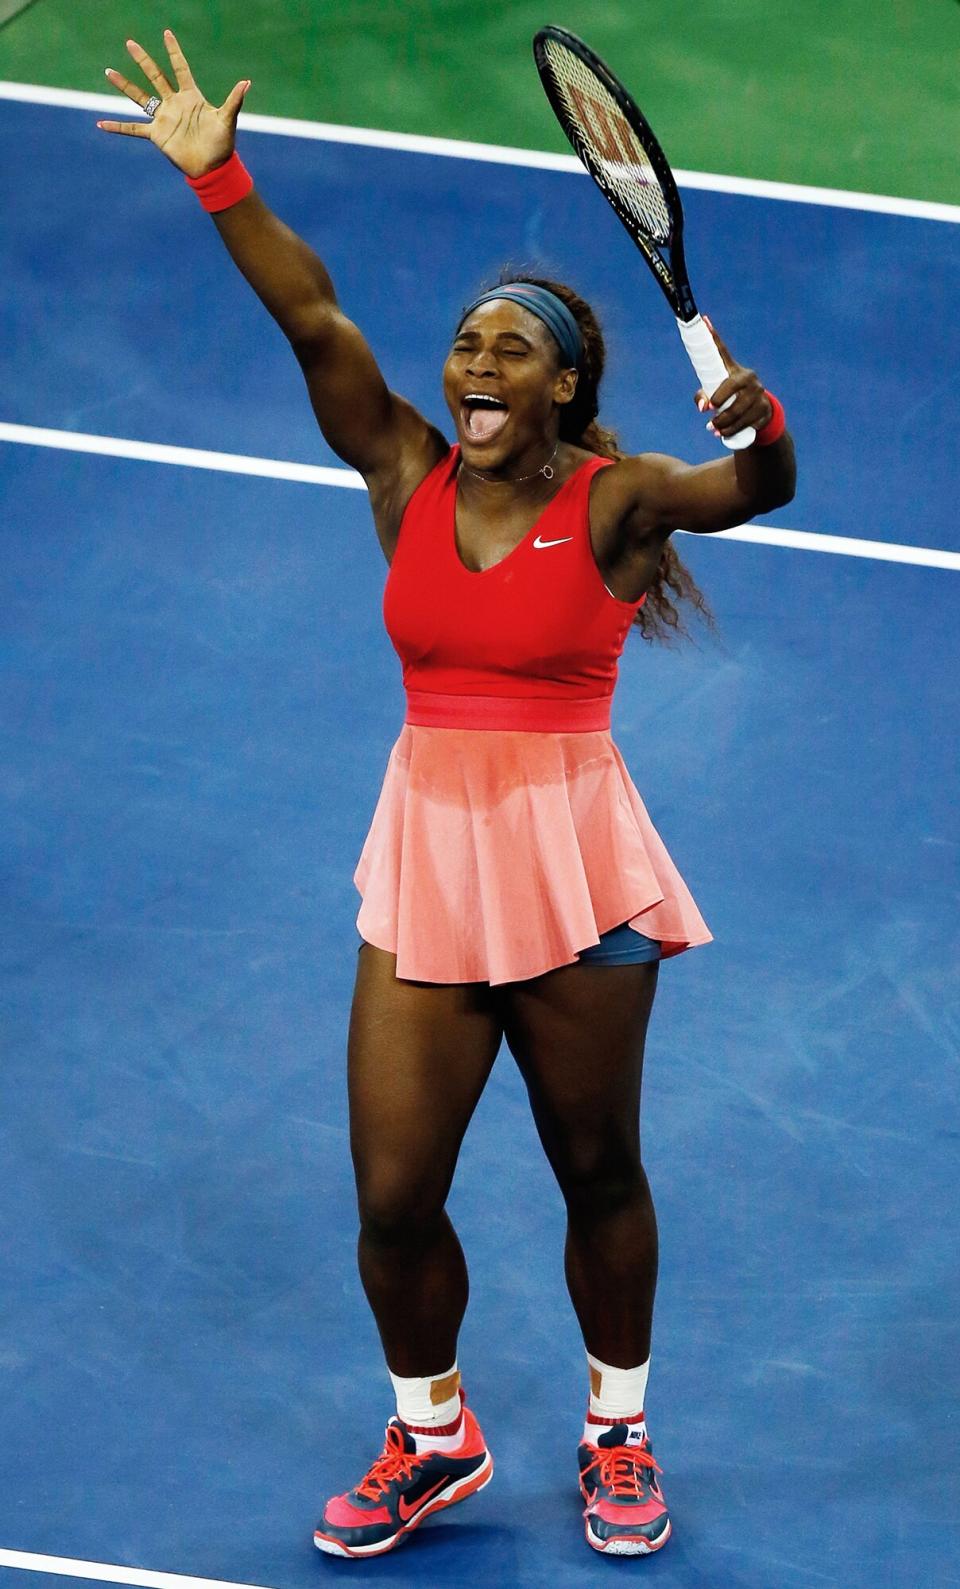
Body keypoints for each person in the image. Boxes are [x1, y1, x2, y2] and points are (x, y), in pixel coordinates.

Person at [99, 31, 796, 1561]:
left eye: (509, 353)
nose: (473, 367)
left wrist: (763, 428)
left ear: (565, 386)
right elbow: (310, 315)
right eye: (466, 346)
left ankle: (618, 1429)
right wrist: (215, 170)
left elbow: (749, 493)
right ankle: (436, 1433)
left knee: (598, 1167)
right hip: (427, 861)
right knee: (396, 1192)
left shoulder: (614, 502)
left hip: (574, 868)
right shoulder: (401, 469)